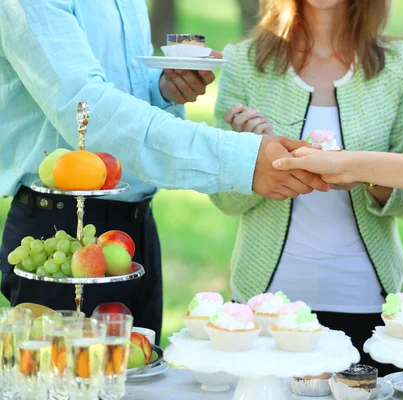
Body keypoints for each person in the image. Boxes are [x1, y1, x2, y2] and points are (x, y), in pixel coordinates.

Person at [0, 0, 327, 340]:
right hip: (63, 232)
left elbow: (119, 95)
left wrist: (160, 91)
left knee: (140, 384)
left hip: (136, 230)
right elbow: (87, 111)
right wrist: (241, 159)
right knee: (63, 387)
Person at [209, 0, 403, 374]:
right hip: (265, 306)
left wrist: (364, 171)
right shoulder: (242, 61)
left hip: (367, 302)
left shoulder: (400, 64)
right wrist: (250, 155)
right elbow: (224, 199)